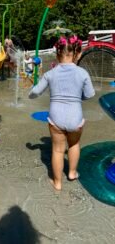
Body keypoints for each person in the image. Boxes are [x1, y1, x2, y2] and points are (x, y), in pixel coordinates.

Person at [29, 35, 95, 191]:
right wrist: (79, 97)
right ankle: (72, 173)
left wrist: (29, 94)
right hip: (75, 117)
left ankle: (57, 183)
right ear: (77, 54)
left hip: (56, 118)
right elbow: (90, 94)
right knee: (74, 144)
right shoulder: (82, 73)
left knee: (58, 150)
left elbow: (35, 92)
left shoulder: (51, 73)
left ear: (57, 54)